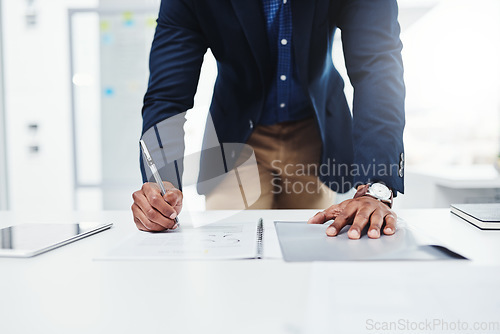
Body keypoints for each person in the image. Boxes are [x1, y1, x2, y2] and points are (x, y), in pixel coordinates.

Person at [131, 0, 405, 239]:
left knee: (310, 253)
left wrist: (375, 186)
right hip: (236, 138)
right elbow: (167, 95)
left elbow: (377, 67)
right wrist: (161, 184)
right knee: (230, 256)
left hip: (314, 135)